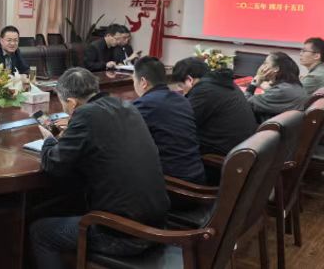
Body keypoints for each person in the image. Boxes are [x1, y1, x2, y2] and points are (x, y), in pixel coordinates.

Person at [30, 68, 170, 268]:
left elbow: (53, 164)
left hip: (125, 234)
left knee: (40, 232)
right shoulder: (126, 106)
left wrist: (49, 140)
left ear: (71, 103)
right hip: (157, 222)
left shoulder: (86, 115)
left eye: (63, 103)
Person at [132, 57, 205, 184]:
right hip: (198, 175)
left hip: (174, 183)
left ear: (143, 82)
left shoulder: (144, 104)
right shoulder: (182, 99)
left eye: (133, 80)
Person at [172, 57, 258, 156]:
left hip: (224, 153)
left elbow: (183, 124)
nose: (182, 92)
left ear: (189, 79)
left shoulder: (203, 90)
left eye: (181, 86)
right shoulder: (223, 82)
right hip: (244, 146)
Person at [245, 52, 308, 123]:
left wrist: (254, 83)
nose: (262, 67)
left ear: (276, 68)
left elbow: (246, 104)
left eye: (265, 63)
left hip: (264, 127)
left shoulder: (281, 90)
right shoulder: (293, 85)